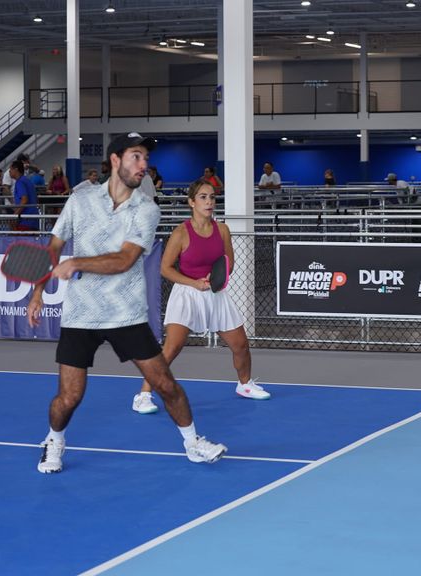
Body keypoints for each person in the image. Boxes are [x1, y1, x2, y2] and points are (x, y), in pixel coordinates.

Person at [27, 132, 226, 474]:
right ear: (115, 160)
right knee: (69, 396)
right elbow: (55, 245)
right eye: (136, 157)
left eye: (146, 158)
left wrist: (77, 263)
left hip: (127, 313)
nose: (144, 165)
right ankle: (54, 440)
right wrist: (38, 290)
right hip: (81, 314)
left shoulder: (147, 210)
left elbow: (124, 260)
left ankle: (193, 443)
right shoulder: (80, 200)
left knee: (165, 384)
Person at [132, 178, 270, 415]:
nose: (209, 202)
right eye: (203, 197)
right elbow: (165, 268)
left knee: (240, 344)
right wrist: (194, 283)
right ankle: (143, 395)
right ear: (191, 202)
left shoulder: (223, 230)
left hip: (215, 293)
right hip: (186, 294)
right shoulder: (181, 232)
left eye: (212, 197)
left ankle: (245, 385)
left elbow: (229, 263)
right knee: (172, 348)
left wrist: (215, 279)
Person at [9, 160, 39, 231]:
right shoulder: (27, 180)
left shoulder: (20, 182)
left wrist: (15, 215)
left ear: (16, 169)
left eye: (10, 169)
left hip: (26, 221)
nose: (9, 172)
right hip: (33, 219)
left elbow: (24, 200)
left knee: (20, 241)